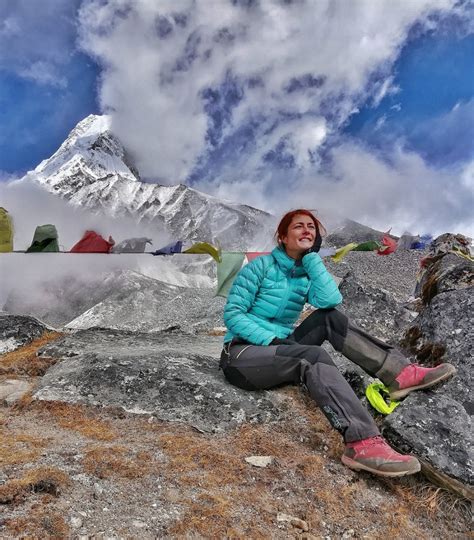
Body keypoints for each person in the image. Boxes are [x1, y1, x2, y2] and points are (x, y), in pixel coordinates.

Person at [220, 209, 456, 477]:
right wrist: (271, 339)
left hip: (280, 347)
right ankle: (362, 443)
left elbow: (330, 301)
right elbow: (233, 315)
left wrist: (313, 262)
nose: (307, 230)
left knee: (329, 318)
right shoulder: (259, 268)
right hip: (243, 353)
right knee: (310, 357)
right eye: (299, 226)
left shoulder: (304, 273)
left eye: (311, 227)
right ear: (283, 236)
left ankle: (400, 374)